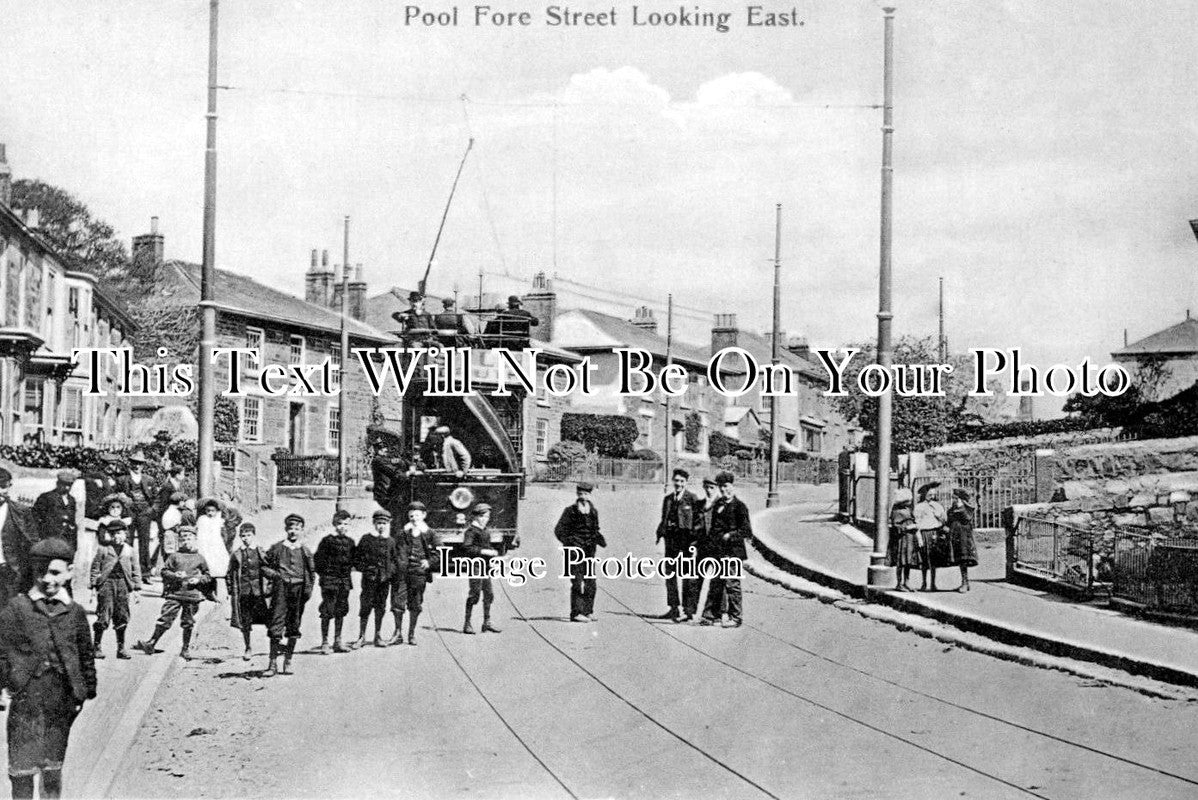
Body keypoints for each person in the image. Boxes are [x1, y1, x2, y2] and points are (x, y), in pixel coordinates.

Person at [0, 538, 95, 800]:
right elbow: (1, 649)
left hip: (61, 699)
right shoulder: (17, 608)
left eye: (55, 572)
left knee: (53, 765)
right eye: (40, 572)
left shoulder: (74, 612)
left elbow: (85, 652)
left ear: (69, 572)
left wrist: (85, 689)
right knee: (22, 767)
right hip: (27, 698)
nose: (47, 579)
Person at [136, 526, 211, 661]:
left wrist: (199, 579)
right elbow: (164, 571)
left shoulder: (200, 558)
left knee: (188, 622)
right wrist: (175, 575)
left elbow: (208, 576)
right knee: (165, 618)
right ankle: (152, 643)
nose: (186, 541)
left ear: (195, 539)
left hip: (192, 595)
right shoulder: (174, 556)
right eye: (183, 538)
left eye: (189, 538)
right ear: (179, 541)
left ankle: (185, 649)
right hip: (175, 594)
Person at [263, 514, 315, 676]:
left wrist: (307, 591)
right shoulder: (277, 548)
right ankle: (272, 664)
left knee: (294, 624)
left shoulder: (305, 551)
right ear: (286, 529)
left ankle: (288, 661)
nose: (293, 532)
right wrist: (276, 576)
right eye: (291, 528)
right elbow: (264, 567)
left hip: (298, 591)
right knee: (276, 623)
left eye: (297, 529)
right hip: (281, 590)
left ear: (301, 530)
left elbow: (311, 573)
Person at [700, 472, 750, 628]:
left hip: (733, 551)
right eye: (721, 486)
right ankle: (710, 615)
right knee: (716, 583)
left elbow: (746, 531)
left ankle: (736, 617)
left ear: (732, 486)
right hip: (718, 550)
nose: (723, 489)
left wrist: (730, 535)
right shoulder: (719, 505)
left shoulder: (740, 506)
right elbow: (714, 527)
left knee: (732, 584)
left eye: (726, 486)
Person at [89, 520, 141, 660]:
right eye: (112, 534)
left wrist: (136, 590)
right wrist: (94, 587)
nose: (116, 536)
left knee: (122, 615)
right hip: (107, 584)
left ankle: (121, 647)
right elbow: (95, 568)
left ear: (125, 534)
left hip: (123, 584)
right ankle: (97, 646)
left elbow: (136, 571)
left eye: (119, 533)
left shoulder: (130, 550)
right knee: (103, 614)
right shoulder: (103, 549)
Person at [554, 483, 605, 623]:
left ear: (590, 495)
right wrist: (569, 543)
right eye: (581, 494)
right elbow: (559, 530)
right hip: (574, 551)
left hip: (589, 550)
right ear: (577, 494)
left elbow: (596, 529)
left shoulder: (593, 511)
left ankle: (588, 611)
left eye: (586, 494)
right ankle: (576, 613)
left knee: (591, 582)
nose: (583, 497)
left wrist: (598, 539)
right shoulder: (569, 511)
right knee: (577, 581)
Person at [654, 468, 700, 623]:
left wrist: (695, 542)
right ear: (673, 481)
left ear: (686, 483)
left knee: (687, 576)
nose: (678, 484)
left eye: (682, 481)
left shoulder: (692, 499)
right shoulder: (668, 499)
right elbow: (664, 518)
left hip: (686, 543)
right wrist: (661, 533)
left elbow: (697, 523)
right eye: (677, 481)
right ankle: (673, 608)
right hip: (671, 542)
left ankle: (688, 611)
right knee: (670, 575)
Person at [226, 523, 274, 662]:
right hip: (244, 592)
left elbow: (269, 569)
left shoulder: (260, 551)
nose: (245, 538)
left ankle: (276, 644)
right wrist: (231, 590)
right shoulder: (237, 554)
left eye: (248, 535)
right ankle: (248, 647)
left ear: (254, 535)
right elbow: (229, 574)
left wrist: (270, 587)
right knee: (245, 622)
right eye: (243, 536)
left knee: (269, 618)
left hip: (260, 593)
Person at [351, 510, 398, 649]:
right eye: (378, 523)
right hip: (369, 579)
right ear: (374, 523)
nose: (381, 526)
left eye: (384, 523)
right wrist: (365, 569)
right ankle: (361, 636)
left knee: (380, 607)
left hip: (384, 580)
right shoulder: (366, 539)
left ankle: (378, 635)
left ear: (388, 524)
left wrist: (390, 573)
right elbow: (357, 557)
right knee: (365, 606)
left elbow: (394, 560)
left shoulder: (391, 541)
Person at [394, 502, 438, 646]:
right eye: (411, 515)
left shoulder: (430, 533)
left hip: (419, 573)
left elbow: (440, 552)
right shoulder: (402, 533)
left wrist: (430, 562)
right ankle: (398, 633)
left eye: (417, 515)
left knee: (415, 603)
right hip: (402, 573)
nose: (414, 518)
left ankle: (411, 633)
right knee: (398, 603)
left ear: (424, 515)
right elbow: (394, 550)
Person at [314, 510, 356, 654]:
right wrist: (326, 576)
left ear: (349, 525)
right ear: (334, 524)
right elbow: (318, 562)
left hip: (344, 582)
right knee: (327, 610)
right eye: (339, 524)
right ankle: (325, 641)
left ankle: (337, 641)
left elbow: (354, 561)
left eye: (345, 524)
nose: (342, 527)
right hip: (330, 582)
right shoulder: (327, 541)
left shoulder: (351, 543)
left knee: (341, 610)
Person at [115, 450, 158, 574]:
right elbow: (116, 495)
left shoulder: (149, 480)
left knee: (144, 542)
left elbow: (156, 498)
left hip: (145, 513)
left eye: (139, 463)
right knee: (127, 540)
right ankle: (126, 570)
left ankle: (145, 572)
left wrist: (151, 510)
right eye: (134, 463)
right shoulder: (122, 479)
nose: (137, 466)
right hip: (129, 512)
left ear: (143, 465)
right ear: (130, 464)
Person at [461, 503, 500, 635]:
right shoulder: (471, 532)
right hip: (475, 566)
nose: (486, 519)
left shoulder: (485, 531)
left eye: (487, 517)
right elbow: (467, 548)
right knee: (474, 594)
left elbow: (486, 546)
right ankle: (467, 623)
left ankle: (487, 622)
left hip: (485, 567)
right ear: (476, 517)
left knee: (489, 594)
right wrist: (484, 551)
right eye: (483, 517)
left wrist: (492, 552)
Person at [0, 469, 36, 610]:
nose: (1, 491)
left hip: (10, 570)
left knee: (8, 612)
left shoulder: (21, 512)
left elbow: (32, 542)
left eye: (4, 486)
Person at [692, 476, 720, 619]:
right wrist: (694, 544)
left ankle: (712, 614)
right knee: (696, 579)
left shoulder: (721, 504)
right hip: (702, 547)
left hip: (717, 549)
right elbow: (695, 526)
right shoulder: (699, 504)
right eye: (707, 487)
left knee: (716, 582)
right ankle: (690, 612)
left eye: (712, 488)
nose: (709, 491)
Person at [914, 482, 948, 592]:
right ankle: (924, 583)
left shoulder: (938, 506)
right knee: (924, 560)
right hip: (924, 533)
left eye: (933, 495)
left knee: (934, 560)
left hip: (935, 533)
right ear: (924, 494)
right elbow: (917, 523)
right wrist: (918, 536)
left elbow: (944, 520)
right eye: (930, 495)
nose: (932, 497)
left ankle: (933, 583)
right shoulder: (919, 507)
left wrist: (939, 516)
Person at [31, 471, 79, 546]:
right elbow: (35, 517)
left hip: (66, 539)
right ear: (58, 483)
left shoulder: (72, 500)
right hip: (49, 537)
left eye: (69, 485)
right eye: (64, 485)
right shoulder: (46, 497)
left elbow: (72, 520)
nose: (66, 488)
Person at [947, 488, 979, 592]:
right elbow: (949, 518)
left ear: (960, 499)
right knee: (960, 560)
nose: (953, 500)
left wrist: (960, 507)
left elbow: (967, 518)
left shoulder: (967, 508)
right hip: (956, 536)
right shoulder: (953, 508)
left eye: (955, 498)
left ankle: (965, 583)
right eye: (953, 498)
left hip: (964, 537)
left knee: (964, 559)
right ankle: (965, 582)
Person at [195, 498, 230, 588]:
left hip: (216, 546)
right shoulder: (202, 519)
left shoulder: (219, 520)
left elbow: (224, 534)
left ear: (217, 511)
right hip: (204, 545)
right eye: (208, 511)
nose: (210, 513)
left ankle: (218, 586)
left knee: (218, 565)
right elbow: (199, 533)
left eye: (212, 511)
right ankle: (206, 587)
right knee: (206, 565)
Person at [889, 488, 919, 593]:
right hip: (901, 539)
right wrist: (907, 528)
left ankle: (907, 581)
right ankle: (899, 583)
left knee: (908, 561)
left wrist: (914, 526)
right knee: (900, 561)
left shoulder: (908, 509)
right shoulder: (896, 511)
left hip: (909, 538)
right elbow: (895, 526)